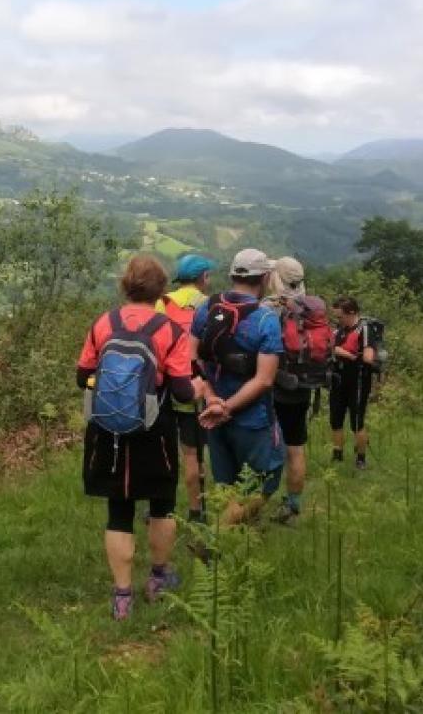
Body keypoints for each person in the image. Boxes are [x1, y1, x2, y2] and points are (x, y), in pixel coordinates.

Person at [78, 254, 200, 620]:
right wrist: (198, 386)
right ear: (162, 290)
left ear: (125, 285)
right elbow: (180, 391)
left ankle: (122, 597)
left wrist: (112, 392)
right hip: (153, 430)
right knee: (161, 504)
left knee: (118, 510)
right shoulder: (170, 330)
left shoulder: (104, 323)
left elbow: (82, 376)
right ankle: (159, 580)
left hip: (106, 431)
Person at [192, 248, 284, 525]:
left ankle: (234, 545)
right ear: (265, 278)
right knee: (264, 481)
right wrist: (228, 407)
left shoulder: (207, 307)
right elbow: (265, 379)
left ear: (232, 275)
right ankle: (216, 539)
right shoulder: (266, 318)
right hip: (253, 419)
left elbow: (191, 358)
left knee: (227, 483)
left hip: (213, 415)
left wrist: (211, 399)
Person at [265, 256, 330, 521]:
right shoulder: (311, 310)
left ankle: (254, 504)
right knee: (296, 447)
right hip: (304, 388)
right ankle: (292, 506)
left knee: (267, 447)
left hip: (275, 387)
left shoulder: (271, 310)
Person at [156, 254, 215, 523]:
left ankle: (158, 505)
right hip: (198, 385)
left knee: (166, 450)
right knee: (194, 453)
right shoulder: (210, 305)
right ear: (202, 277)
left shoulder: (162, 303)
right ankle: (196, 512)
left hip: (166, 387)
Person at [328, 296, 377, 470]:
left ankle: (361, 458)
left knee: (357, 421)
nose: (338, 320)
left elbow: (369, 357)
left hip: (358, 381)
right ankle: (337, 455)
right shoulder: (338, 331)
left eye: (340, 316)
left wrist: (348, 354)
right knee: (335, 418)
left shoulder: (365, 330)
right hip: (338, 380)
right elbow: (330, 348)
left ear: (352, 313)